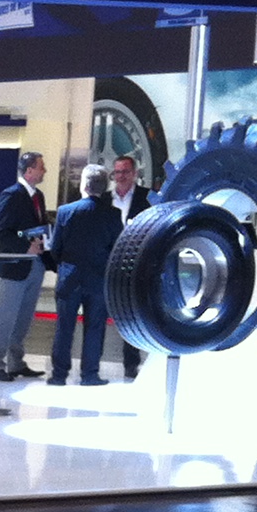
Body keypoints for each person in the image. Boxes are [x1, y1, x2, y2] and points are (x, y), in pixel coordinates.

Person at [44, 167, 122, 386]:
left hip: (69, 277)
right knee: (95, 327)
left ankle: (59, 375)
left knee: (64, 327)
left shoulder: (65, 211)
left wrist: (64, 264)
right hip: (98, 279)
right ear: (104, 186)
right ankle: (90, 374)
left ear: (85, 185)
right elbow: (117, 248)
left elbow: (56, 248)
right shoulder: (113, 214)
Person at [0, 151, 49, 381]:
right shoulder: (11, 195)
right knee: (6, 317)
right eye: (41, 167)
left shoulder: (38, 196)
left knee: (23, 318)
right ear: (30, 170)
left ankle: (16, 362)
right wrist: (25, 246)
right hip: (15, 267)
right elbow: (1, 231)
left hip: (35, 264)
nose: (44, 171)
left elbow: (35, 227)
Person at [107, 155, 154, 377]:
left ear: (135, 173)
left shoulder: (147, 198)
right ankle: (91, 365)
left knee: (132, 314)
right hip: (108, 262)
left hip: (137, 263)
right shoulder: (104, 199)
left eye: (125, 171)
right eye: (117, 172)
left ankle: (131, 363)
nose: (121, 176)